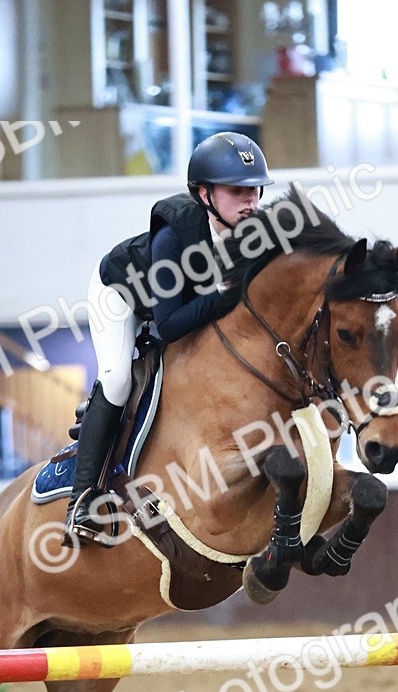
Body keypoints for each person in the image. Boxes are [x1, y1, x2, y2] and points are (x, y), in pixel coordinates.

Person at [64, 131, 273, 545]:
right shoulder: (172, 237)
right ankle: (81, 498)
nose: (251, 202)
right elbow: (171, 325)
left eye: (255, 191)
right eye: (238, 191)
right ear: (205, 194)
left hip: (179, 303)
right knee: (119, 377)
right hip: (120, 296)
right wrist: (227, 293)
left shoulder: (256, 233)